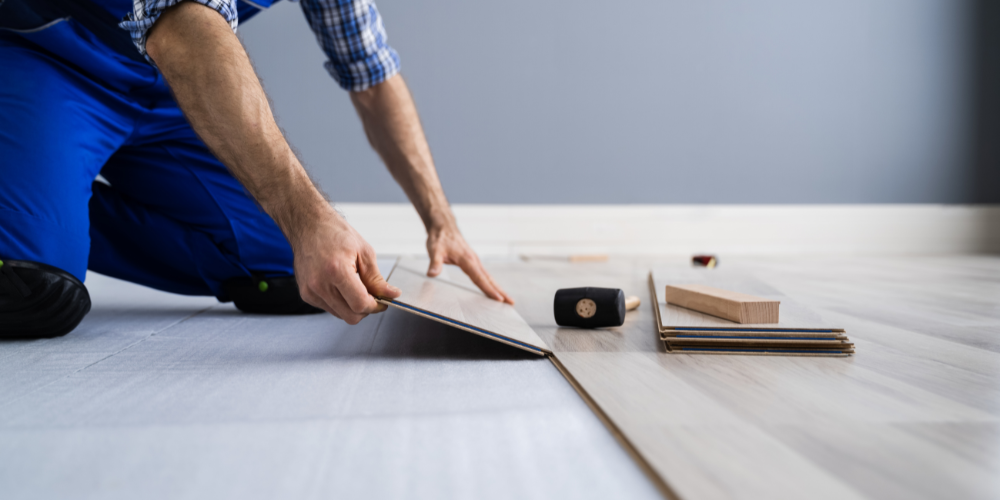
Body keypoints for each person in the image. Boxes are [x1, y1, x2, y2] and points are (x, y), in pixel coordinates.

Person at [0, 0, 513, 338]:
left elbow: (373, 75)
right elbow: (183, 26)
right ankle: (36, 204)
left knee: (282, 272)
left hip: (165, 79)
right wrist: (311, 221)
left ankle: (45, 191)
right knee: (38, 292)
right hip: (50, 58)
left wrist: (440, 221)